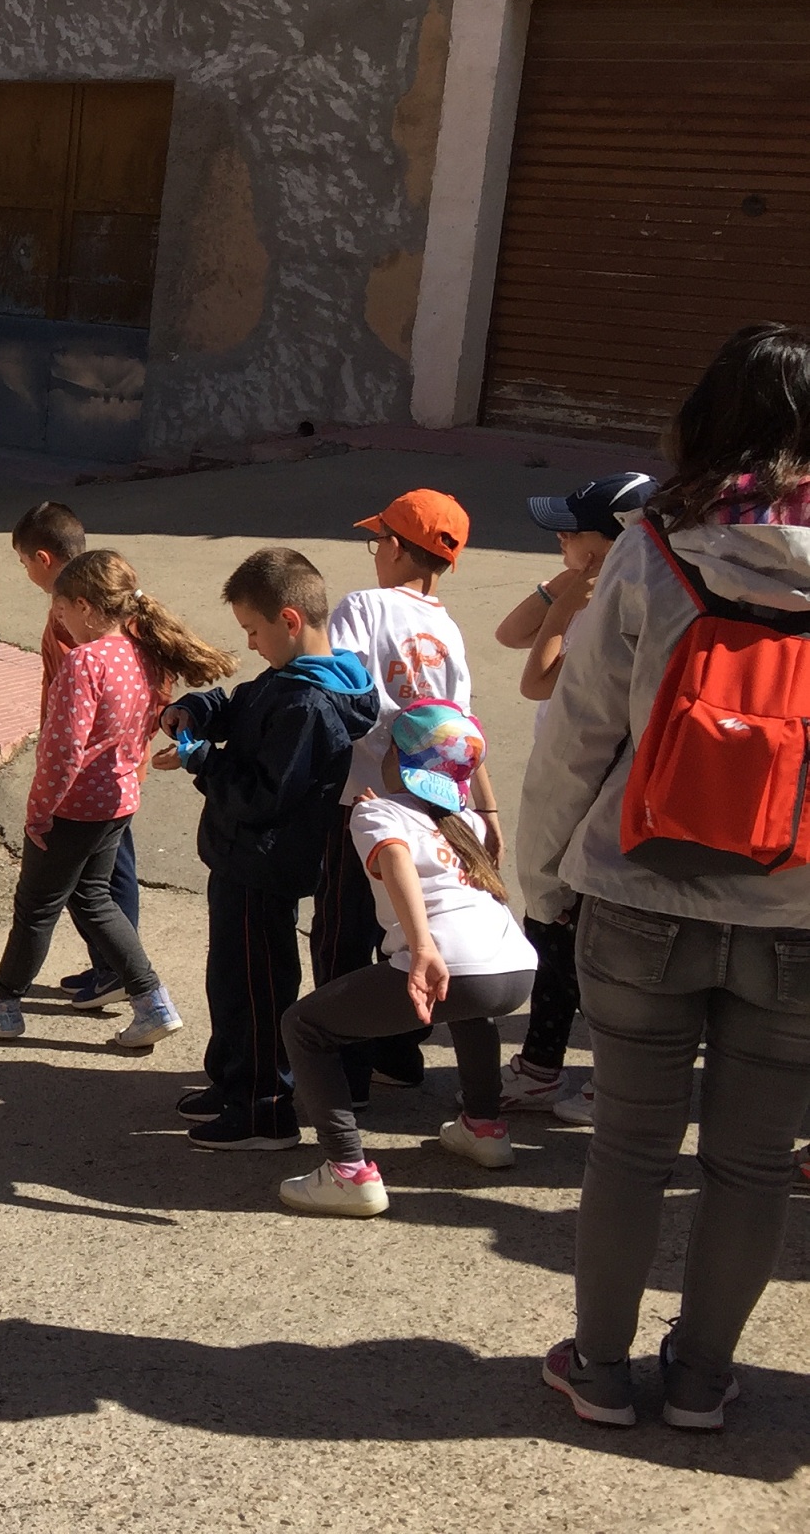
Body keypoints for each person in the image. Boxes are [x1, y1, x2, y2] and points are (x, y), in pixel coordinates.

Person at [525, 323, 810, 1433]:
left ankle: (598, 1368)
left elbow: (578, 731)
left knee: (629, 1149)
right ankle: (699, 1379)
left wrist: (542, 877)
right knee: (750, 1165)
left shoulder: (657, 545)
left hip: (640, 891)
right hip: (796, 915)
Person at [0, 552, 225, 1049]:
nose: (57, 618)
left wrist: (39, 810)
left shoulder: (85, 661)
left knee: (36, 907)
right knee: (93, 898)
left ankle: (1, 1004)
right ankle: (151, 1000)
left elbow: (62, 749)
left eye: (62, 608)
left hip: (74, 805)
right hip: (118, 798)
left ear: (85, 606)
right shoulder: (141, 653)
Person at [279, 702, 536, 1220]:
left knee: (304, 1026)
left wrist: (421, 947)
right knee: (469, 1010)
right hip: (514, 968)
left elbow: (395, 854)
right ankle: (484, 1128)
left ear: (397, 758)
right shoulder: (465, 820)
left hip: (450, 961)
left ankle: (348, 1173)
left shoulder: (376, 814)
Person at [159, 548, 378, 1151]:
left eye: (253, 631)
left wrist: (202, 761)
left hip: (264, 863)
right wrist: (193, 709)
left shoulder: (309, 704)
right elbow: (239, 707)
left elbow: (262, 795)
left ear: (289, 620)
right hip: (241, 859)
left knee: (255, 986)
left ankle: (263, 1107)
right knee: (229, 978)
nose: (250, 644)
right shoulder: (290, 679)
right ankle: (234, 1079)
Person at [320, 487, 499, 1096]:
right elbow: (462, 723)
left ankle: (343, 1074)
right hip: (433, 800)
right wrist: (484, 806)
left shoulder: (363, 606)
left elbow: (339, 693)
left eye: (378, 541)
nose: (375, 552)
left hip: (363, 800)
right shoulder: (447, 628)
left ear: (395, 547)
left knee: (344, 932)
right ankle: (398, 1052)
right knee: (406, 927)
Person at [491, 471, 654, 1129]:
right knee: (556, 928)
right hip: (581, 776)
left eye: (572, 531)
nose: (560, 538)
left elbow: (536, 679)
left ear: (613, 541)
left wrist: (565, 606)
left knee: (583, 935)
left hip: (597, 785)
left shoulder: (621, 604)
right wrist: (561, 585)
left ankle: (605, 1082)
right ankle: (541, 1067)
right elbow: (509, 633)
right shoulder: (606, 587)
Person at [11, 500, 140, 1006]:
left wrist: (41, 806)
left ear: (44, 559)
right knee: (95, 887)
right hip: (114, 775)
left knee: (81, 890)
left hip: (86, 784)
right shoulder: (111, 607)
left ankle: (116, 974)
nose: (26, 574)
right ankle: (126, 978)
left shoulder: (78, 630)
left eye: (24, 562)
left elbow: (73, 731)